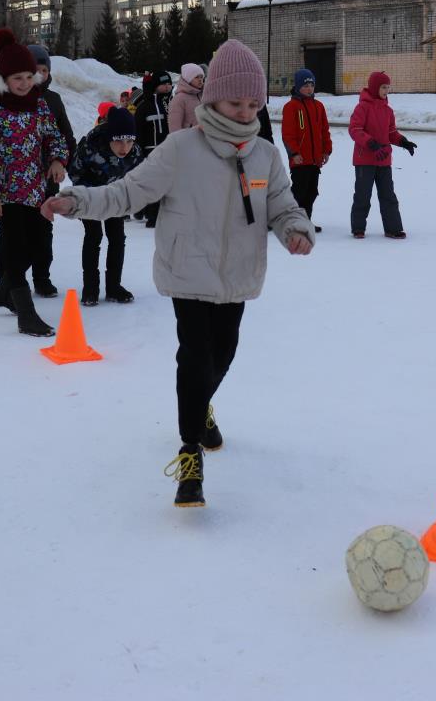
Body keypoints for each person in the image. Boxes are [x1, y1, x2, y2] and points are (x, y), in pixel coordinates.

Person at [42, 39, 314, 508]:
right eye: (236, 102)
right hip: (188, 270)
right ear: (212, 100)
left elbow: (282, 204)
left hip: (237, 275)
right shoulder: (181, 148)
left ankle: (201, 406)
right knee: (194, 357)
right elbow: (128, 192)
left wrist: (295, 227)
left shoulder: (265, 155)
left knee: (222, 354)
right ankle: (190, 452)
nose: (246, 111)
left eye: (253, 103)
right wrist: (78, 200)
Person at [0, 29, 70, 335]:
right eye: (18, 78)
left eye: (29, 76)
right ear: (3, 79)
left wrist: (57, 159)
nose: (25, 83)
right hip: (7, 195)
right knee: (15, 250)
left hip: (36, 191)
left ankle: (3, 292)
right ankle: (25, 313)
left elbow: (55, 136)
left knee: (38, 247)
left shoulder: (38, 105)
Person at [18, 44, 76, 298]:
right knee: (16, 232)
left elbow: (66, 136)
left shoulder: (53, 101)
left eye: (43, 70)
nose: (39, 75)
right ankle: (11, 280)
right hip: (17, 182)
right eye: (34, 70)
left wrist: (61, 162)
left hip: (45, 180)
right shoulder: (12, 100)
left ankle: (42, 277)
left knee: (43, 229)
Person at [68, 106, 141, 306]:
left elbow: (139, 177)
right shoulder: (90, 146)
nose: (124, 147)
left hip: (116, 199)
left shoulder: (135, 153)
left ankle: (114, 287)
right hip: (89, 198)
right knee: (94, 236)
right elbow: (75, 173)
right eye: (118, 141)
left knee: (117, 237)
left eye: (129, 141)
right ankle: (90, 288)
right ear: (109, 137)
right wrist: (91, 195)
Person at [348, 71, 415, 239]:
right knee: (363, 195)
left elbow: (391, 133)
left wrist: (403, 141)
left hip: (383, 160)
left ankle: (393, 228)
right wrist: (370, 142)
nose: (386, 91)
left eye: (388, 87)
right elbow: (355, 129)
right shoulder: (362, 107)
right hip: (365, 159)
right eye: (383, 87)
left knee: (388, 195)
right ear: (374, 87)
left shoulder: (388, 110)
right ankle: (358, 228)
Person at [281, 68, 332, 232]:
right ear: (297, 87)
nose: (309, 88)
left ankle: (305, 221)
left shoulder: (319, 106)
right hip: (300, 159)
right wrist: (294, 153)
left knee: (311, 192)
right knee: (299, 192)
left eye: (312, 85)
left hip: (315, 159)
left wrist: (326, 150)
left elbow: (324, 131)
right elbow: (288, 134)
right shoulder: (291, 107)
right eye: (305, 85)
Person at [134, 70, 173, 227]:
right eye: (164, 84)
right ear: (155, 86)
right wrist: (139, 152)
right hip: (150, 150)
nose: (167, 86)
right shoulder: (144, 107)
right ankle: (150, 214)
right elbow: (138, 131)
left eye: (169, 83)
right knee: (152, 183)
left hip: (169, 149)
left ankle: (161, 213)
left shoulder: (171, 103)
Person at [167, 63, 204, 131]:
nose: (200, 80)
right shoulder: (179, 99)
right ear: (188, 79)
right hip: (188, 140)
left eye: (201, 77)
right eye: (196, 77)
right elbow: (174, 129)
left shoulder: (204, 95)